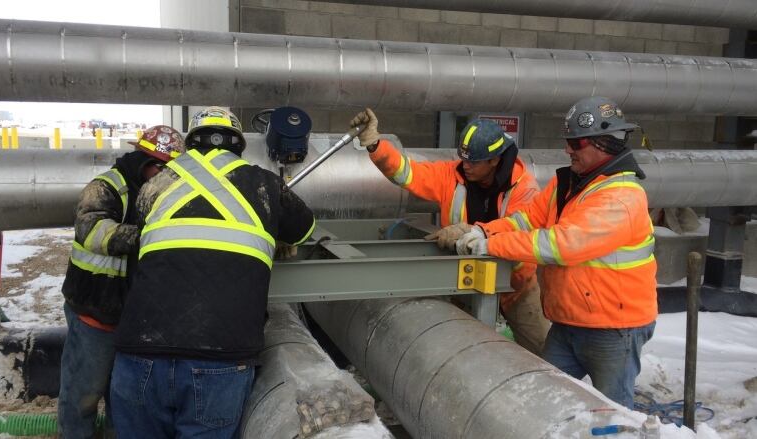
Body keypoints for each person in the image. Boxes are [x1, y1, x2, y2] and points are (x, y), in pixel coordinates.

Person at [109, 107, 316, 438]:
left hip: (140, 353)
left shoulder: (155, 186)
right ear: (238, 144)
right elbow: (305, 230)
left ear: (191, 143)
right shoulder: (266, 184)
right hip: (220, 358)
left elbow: (145, 234)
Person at [456, 96, 657, 409]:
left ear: (603, 144)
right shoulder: (567, 183)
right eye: (568, 142)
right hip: (567, 323)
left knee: (611, 412)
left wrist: (490, 246)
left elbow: (559, 245)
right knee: (545, 401)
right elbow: (527, 219)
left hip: (614, 329)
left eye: (576, 144)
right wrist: (485, 230)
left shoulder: (621, 198)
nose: (568, 150)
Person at [349, 109, 550, 356]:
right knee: (459, 354)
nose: (465, 166)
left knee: (544, 352)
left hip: (516, 286)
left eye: (473, 162)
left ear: (495, 160)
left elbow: (524, 231)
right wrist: (377, 146)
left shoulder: (524, 189)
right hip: (464, 283)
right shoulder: (452, 175)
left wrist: (475, 231)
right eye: (463, 159)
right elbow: (407, 173)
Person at [59, 125, 186, 438]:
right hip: (95, 313)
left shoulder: (166, 195)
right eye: (164, 169)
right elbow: (91, 229)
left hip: (135, 322)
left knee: (127, 401)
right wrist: (147, 237)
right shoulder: (107, 187)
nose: (169, 177)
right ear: (146, 162)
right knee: (83, 396)